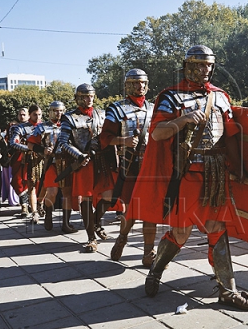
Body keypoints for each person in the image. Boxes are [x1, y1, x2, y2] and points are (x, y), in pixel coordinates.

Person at [128, 45, 248, 311]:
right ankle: (155, 271)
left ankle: (227, 289)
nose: (204, 70)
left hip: (217, 172)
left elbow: (230, 134)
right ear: (187, 66)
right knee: (181, 232)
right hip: (187, 173)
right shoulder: (170, 97)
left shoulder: (221, 97)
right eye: (198, 65)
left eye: (208, 65)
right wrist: (183, 119)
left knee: (216, 227)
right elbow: (157, 134)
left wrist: (239, 168)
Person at [103, 69, 159, 267]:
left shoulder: (156, 108)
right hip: (131, 165)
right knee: (133, 210)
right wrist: (123, 140)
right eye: (135, 83)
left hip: (152, 166)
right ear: (128, 85)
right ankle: (122, 237)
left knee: (150, 211)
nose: (140, 86)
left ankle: (149, 252)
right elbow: (104, 138)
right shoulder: (117, 109)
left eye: (143, 83)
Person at [57, 84, 106, 251]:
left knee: (109, 196)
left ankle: (96, 221)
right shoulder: (69, 117)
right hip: (84, 162)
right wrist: (79, 156)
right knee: (86, 198)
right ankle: (91, 237)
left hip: (103, 161)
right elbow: (63, 142)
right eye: (85, 96)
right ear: (78, 98)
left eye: (91, 96)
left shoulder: (101, 114)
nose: (89, 99)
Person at [27, 101, 68, 232]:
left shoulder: (69, 125)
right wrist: (43, 150)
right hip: (51, 163)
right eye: (56, 111)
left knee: (67, 193)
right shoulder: (42, 127)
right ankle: (48, 215)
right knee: (51, 192)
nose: (59, 113)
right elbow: (30, 144)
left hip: (67, 163)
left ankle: (66, 223)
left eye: (61, 110)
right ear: (50, 112)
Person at [9, 105, 43, 222]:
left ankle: (40, 203)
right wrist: (30, 149)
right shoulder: (20, 128)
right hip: (27, 159)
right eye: (35, 114)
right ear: (30, 114)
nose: (37, 117)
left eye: (39, 114)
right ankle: (30, 209)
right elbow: (13, 143)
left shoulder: (45, 126)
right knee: (26, 183)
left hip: (44, 159)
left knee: (44, 184)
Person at [7, 108, 31, 216]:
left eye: (24, 114)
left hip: (32, 157)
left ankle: (33, 205)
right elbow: (11, 143)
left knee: (32, 181)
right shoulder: (13, 128)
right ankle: (24, 206)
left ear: (28, 115)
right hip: (18, 157)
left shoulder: (35, 127)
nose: (22, 116)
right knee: (18, 182)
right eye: (20, 114)